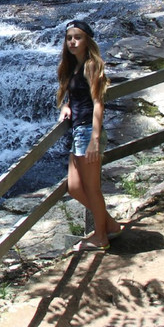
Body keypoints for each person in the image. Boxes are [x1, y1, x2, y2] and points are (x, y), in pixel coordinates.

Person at [56, 20, 122, 252]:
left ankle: (101, 236)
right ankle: (111, 224)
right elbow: (78, 95)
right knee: (74, 187)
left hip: (87, 133)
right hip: (78, 131)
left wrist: (95, 138)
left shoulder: (91, 65)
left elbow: (98, 103)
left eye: (78, 37)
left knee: (92, 189)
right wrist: (66, 105)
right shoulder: (75, 65)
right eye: (69, 38)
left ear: (87, 41)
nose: (72, 42)